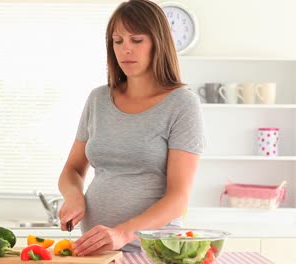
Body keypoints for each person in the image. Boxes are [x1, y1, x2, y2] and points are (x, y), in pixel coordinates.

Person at [57, 0, 205, 256]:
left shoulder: (182, 103)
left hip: (154, 251)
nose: (126, 49)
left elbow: (177, 198)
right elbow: (72, 170)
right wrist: (73, 195)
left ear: (158, 43)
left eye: (137, 40)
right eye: (118, 41)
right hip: (98, 251)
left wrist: (123, 232)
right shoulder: (98, 99)